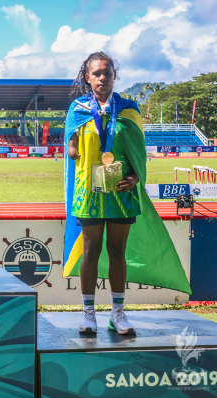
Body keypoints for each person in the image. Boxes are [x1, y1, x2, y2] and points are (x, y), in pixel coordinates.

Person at [63, 52, 191, 335]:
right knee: (90, 251)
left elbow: (138, 153)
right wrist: (73, 152)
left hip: (122, 191)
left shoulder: (129, 109)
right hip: (89, 191)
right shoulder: (78, 108)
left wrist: (134, 177)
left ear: (114, 75)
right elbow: (70, 145)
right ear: (88, 77)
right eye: (96, 73)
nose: (102, 78)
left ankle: (118, 314)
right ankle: (87, 315)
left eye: (107, 72)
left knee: (117, 252)